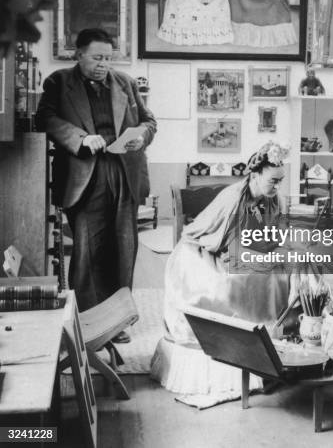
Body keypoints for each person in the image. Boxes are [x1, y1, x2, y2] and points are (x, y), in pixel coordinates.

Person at [35, 28, 157, 341]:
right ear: (79, 55)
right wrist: (81, 138)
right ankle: (87, 325)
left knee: (124, 248)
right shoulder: (59, 82)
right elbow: (45, 119)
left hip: (124, 173)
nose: (104, 64)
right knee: (88, 252)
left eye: (108, 58)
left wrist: (141, 136)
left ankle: (118, 324)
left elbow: (148, 121)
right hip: (84, 175)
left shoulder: (125, 83)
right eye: (97, 57)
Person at [151, 141, 291, 400]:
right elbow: (225, 249)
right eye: (273, 180)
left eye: (281, 180)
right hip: (205, 252)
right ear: (255, 175)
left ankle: (271, 338)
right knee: (235, 282)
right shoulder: (233, 200)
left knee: (283, 272)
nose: (278, 186)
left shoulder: (273, 198)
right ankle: (243, 339)